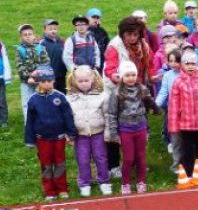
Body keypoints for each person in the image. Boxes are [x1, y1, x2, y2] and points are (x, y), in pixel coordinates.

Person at [25, 65, 76, 200]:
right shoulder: (33, 100)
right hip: (42, 139)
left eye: (49, 81)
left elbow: (68, 116)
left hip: (59, 138)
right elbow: (29, 121)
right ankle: (49, 190)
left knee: (60, 162)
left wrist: (71, 133)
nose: (46, 84)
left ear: (53, 81)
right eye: (43, 81)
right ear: (38, 82)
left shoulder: (60, 97)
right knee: (46, 164)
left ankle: (62, 188)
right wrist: (30, 140)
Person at [106, 61, 157, 194]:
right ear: (122, 76)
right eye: (127, 75)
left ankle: (141, 181)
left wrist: (154, 109)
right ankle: (125, 183)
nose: (130, 78)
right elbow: (111, 114)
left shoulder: (142, 89)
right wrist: (114, 134)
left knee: (141, 157)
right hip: (125, 129)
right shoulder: (116, 92)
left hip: (140, 128)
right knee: (128, 158)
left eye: (133, 75)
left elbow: (147, 106)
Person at [168, 49, 198, 186]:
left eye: (193, 64)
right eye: (187, 63)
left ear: (197, 65)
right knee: (187, 150)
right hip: (185, 124)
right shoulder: (178, 82)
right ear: (182, 65)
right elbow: (174, 104)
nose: (190, 66)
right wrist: (173, 125)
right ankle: (188, 173)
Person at [66, 66, 112, 197]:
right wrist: (68, 134)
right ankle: (84, 183)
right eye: (80, 81)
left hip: (98, 133)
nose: (84, 83)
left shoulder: (102, 96)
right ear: (74, 81)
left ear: (92, 79)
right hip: (80, 135)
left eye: (86, 80)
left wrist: (108, 131)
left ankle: (104, 181)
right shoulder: (69, 98)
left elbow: (108, 115)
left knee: (101, 157)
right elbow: (67, 118)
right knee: (82, 159)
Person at [14, 24, 50, 116]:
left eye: (30, 34)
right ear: (21, 37)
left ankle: (41, 122)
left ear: (34, 35)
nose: (28, 36)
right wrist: (28, 77)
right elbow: (20, 66)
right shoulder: (19, 50)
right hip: (26, 82)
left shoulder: (41, 48)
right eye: (25, 35)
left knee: (41, 102)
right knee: (27, 103)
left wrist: (39, 75)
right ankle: (29, 123)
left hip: (40, 81)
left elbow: (46, 63)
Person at [40, 19, 66, 93]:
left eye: (55, 29)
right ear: (44, 30)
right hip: (49, 76)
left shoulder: (61, 41)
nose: (53, 31)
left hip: (61, 74)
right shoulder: (42, 43)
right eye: (50, 29)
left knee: (62, 94)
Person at [0, 36, 10, 129]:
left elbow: (5, 59)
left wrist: (7, 75)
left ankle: (4, 121)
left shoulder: (0, 45)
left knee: (1, 100)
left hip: (0, 77)